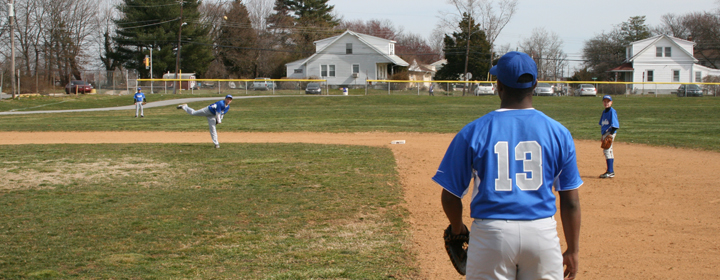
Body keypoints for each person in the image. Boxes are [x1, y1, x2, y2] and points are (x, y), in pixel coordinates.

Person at [433, 51, 582, 280]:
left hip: (492, 235)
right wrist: (573, 250)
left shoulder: (474, 131)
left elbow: (450, 195)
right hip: (541, 233)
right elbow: (570, 202)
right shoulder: (558, 133)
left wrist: (457, 228)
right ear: (535, 84)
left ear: (498, 85)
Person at [599, 95, 619, 178]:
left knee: (608, 151)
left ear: (611, 102)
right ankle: (610, 171)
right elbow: (603, 124)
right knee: (608, 151)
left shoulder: (612, 111)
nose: (606, 103)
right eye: (605, 101)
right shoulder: (604, 112)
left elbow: (615, 125)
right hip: (605, 134)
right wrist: (602, 136)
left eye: (608, 101)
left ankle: (610, 171)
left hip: (610, 133)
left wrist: (610, 135)